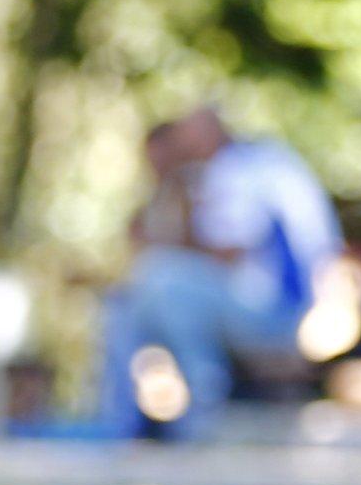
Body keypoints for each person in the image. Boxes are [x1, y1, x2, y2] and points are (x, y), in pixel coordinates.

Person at [101, 107, 339, 437]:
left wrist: (165, 239)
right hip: (267, 303)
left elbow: (228, 253)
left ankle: (201, 404)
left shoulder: (240, 170)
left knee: (159, 278)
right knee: (125, 299)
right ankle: (121, 420)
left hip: (277, 311)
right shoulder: (244, 165)